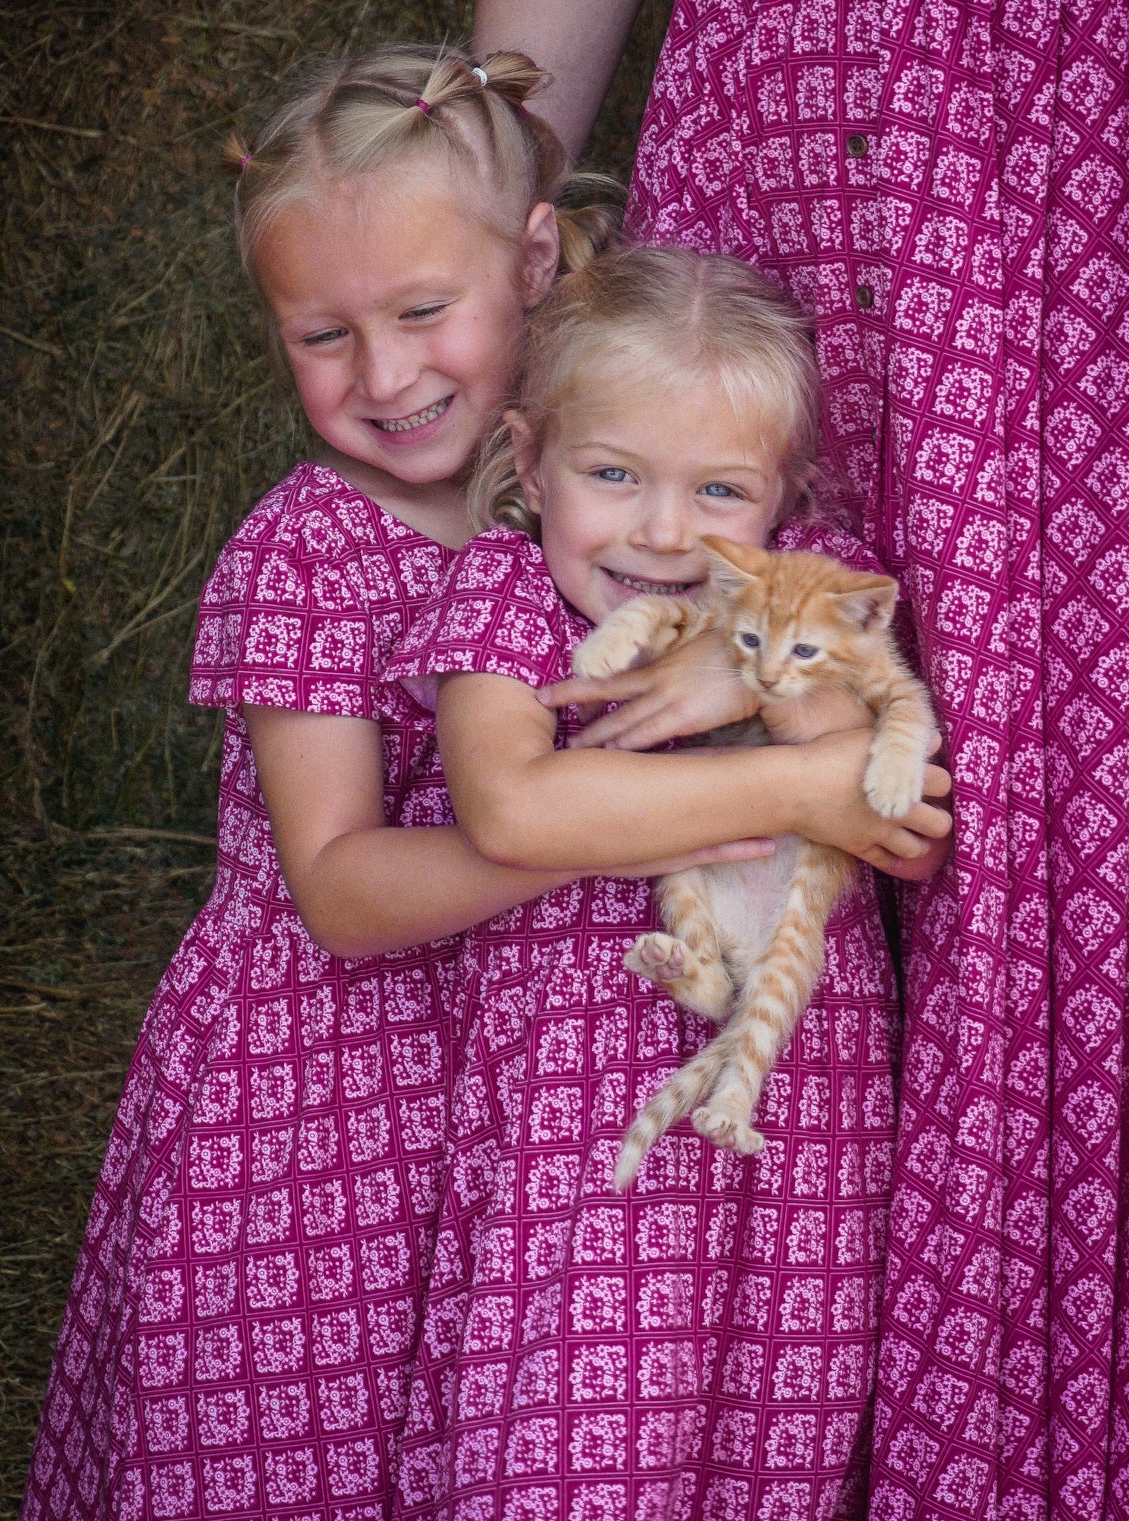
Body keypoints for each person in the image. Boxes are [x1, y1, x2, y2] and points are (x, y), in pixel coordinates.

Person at [474, 0, 1129, 1518]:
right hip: (759, 153)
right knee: (698, 780)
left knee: (1038, 830)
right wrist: (481, 201)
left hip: (1065, 180)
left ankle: (1014, 1455)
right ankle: (655, 1437)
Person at [21, 43, 755, 1521]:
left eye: (423, 311)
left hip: (511, 1082)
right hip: (313, 1104)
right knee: (293, 1448)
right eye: (321, 334)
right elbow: (343, 889)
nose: (387, 374)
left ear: (536, 262)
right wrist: (589, 821)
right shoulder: (307, 552)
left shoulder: (606, 498)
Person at [382, 244, 952, 1519]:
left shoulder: (821, 601)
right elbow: (514, 805)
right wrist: (800, 785)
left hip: (793, 1129)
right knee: (569, 1448)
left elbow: (902, 821)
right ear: (529, 463)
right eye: (612, 473)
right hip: (579, 1137)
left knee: (769, 1446)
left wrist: (769, 696)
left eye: (720, 490)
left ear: (783, 501)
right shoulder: (507, 604)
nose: (660, 531)